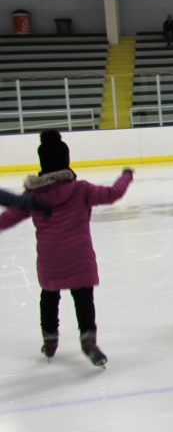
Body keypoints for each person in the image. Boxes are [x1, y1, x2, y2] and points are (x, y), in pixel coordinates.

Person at [0, 130, 133, 367]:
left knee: (49, 297)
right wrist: (126, 176)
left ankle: (50, 339)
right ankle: (88, 341)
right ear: (66, 160)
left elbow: (7, 218)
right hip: (78, 255)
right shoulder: (81, 189)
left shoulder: (32, 196)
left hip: (50, 259)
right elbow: (113, 194)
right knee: (83, 296)